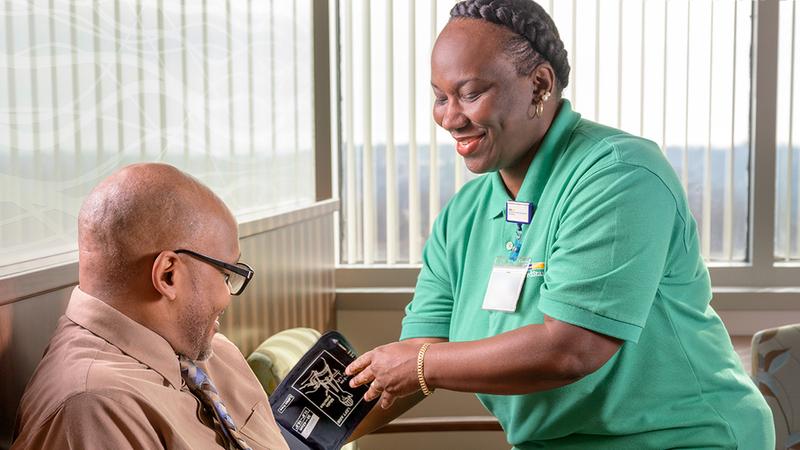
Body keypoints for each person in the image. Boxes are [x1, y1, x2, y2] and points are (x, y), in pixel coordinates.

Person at [345, 0, 775, 448]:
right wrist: (289, 435)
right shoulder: (464, 216)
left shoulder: (619, 175)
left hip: (680, 438)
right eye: (440, 96)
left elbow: (572, 349)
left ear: (539, 85)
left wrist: (422, 364)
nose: (451, 118)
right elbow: (407, 365)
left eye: (471, 93)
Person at [12, 163, 288, 450]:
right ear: (168, 274)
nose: (227, 296)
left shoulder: (213, 354)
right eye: (226, 274)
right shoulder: (94, 409)